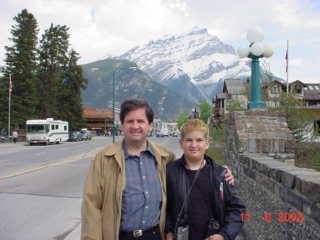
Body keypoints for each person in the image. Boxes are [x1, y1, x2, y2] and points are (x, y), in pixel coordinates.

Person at [81, 99, 234, 240]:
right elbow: (91, 207)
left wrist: (220, 170)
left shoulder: (164, 157)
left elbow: (190, 167)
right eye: (130, 121)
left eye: (141, 121)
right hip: (119, 235)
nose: (135, 126)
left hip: (155, 235)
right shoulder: (104, 159)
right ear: (121, 125)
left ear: (150, 125)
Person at [165, 119, 245, 240]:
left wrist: (224, 235)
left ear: (207, 143)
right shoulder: (170, 172)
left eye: (199, 140)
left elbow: (237, 209)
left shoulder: (220, 174)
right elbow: (164, 207)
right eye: (189, 140)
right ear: (181, 143)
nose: (194, 145)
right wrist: (168, 231)